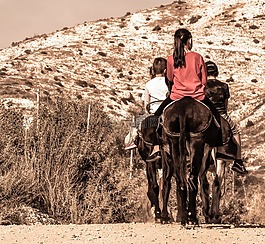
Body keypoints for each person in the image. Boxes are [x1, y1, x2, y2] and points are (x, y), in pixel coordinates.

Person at [146, 28, 222, 162]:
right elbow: (204, 81)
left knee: (154, 118)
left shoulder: (170, 59)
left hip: (176, 96)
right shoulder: (198, 57)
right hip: (198, 96)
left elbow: (169, 78)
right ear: (189, 41)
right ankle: (218, 147)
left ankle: (156, 147)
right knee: (217, 118)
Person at [205, 61, 248, 174]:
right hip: (221, 114)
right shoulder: (224, 86)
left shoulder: (202, 86)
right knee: (236, 131)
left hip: (207, 116)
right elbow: (225, 105)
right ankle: (238, 161)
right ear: (216, 72)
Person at [124, 57, 169, 150]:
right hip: (167, 114)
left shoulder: (149, 84)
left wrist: (147, 112)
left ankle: (131, 142)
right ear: (165, 70)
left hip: (153, 115)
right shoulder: (169, 83)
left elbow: (146, 103)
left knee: (135, 123)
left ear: (153, 69)